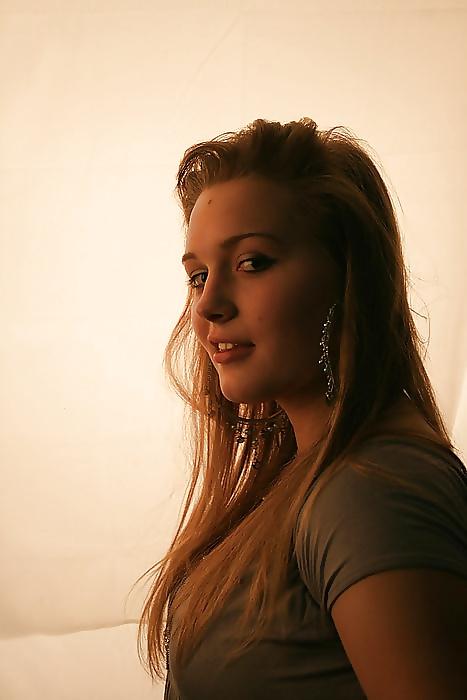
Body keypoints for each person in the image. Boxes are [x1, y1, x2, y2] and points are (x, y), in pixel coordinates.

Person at [133, 118, 467, 699]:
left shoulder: (372, 490)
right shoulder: (314, 471)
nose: (208, 305)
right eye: (198, 276)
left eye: (252, 262)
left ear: (347, 278)